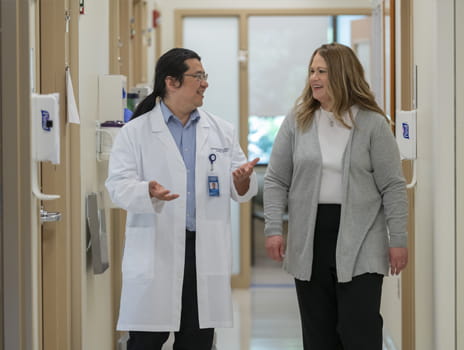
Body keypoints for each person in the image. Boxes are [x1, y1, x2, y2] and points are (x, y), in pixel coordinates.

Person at [106, 48, 259, 350]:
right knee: (146, 341)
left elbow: (239, 185)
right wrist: (146, 191)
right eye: (198, 76)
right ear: (171, 82)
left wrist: (242, 182)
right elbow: (117, 186)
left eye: (205, 76)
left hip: (203, 251)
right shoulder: (135, 132)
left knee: (198, 340)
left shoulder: (221, 131)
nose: (205, 83)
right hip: (156, 248)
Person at [263, 42, 408, 350]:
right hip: (310, 238)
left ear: (342, 74)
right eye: (312, 71)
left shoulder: (372, 123)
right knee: (318, 335)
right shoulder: (298, 120)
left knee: (360, 331)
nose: (314, 77)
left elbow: (393, 185)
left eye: (322, 71)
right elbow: (276, 179)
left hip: (362, 238)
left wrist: (398, 238)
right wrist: (273, 229)